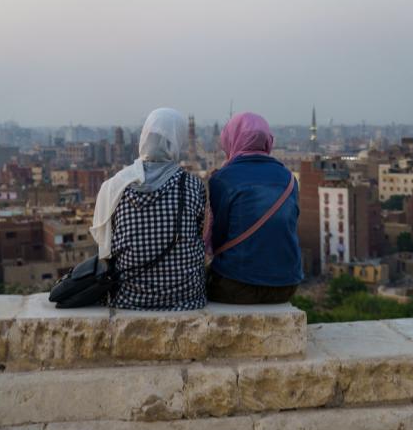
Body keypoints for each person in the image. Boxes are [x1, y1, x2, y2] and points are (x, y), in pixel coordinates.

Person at [90, 108, 206, 310]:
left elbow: (104, 244)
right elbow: (197, 234)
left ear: (143, 139)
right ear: (178, 141)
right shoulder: (193, 185)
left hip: (129, 299)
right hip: (187, 299)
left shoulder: (114, 187)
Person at [205, 112, 303, 304]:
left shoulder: (222, 179)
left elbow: (218, 238)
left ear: (230, 139)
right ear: (267, 141)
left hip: (236, 285)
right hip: (286, 285)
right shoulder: (289, 179)